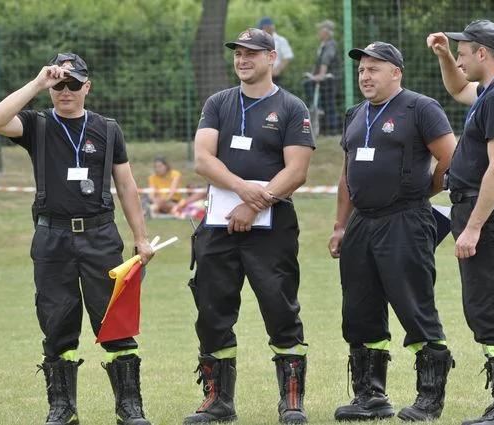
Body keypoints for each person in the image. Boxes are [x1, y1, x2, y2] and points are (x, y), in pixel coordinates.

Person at [0, 52, 153, 425]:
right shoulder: (37, 125)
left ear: (87, 87)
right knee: (57, 323)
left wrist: (141, 239)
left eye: (73, 84)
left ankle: (129, 407)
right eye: (59, 84)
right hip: (52, 237)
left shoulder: (108, 129)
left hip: (101, 237)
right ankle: (62, 408)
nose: (65, 91)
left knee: (115, 323)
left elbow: (126, 185)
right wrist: (37, 82)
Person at [183, 28, 315, 425]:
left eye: (252, 53)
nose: (243, 59)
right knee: (212, 311)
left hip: (271, 228)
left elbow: (297, 170)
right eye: (238, 53)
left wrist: (257, 206)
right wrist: (243, 193)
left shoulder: (292, 107)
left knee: (280, 307)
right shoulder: (218, 103)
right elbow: (203, 159)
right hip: (218, 226)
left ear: (271, 58)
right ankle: (218, 400)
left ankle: (291, 400)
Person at [327, 41, 457, 422]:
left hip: (405, 220)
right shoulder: (355, 113)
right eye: (362, 70)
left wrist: (423, 190)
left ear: (395, 72)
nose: (365, 76)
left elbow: (452, 158)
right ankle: (370, 396)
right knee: (359, 311)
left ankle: (429, 400)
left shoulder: (420, 108)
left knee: (414, 306)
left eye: (374, 69)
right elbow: (346, 174)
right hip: (361, 224)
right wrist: (340, 225)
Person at [427, 19, 494, 425]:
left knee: (489, 307)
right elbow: (457, 89)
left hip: (486, 213)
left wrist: (473, 226)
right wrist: (442, 57)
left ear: (483, 53)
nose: (460, 58)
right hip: (478, 211)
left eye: (463, 52)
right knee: (481, 306)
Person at [303, 19, 341, 135]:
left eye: (321, 29)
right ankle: (319, 110)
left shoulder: (330, 44)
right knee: (328, 102)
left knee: (329, 103)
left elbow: (326, 60)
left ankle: (332, 130)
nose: (319, 32)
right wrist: (314, 73)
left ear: (326, 31)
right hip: (325, 77)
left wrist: (321, 75)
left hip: (329, 77)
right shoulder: (324, 44)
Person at [258, 17, 295, 86]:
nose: (267, 29)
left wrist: (278, 70)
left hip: (275, 76)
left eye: (269, 27)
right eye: (264, 28)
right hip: (259, 75)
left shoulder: (281, 40)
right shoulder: (257, 41)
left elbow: (287, 57)